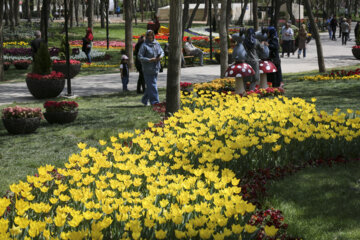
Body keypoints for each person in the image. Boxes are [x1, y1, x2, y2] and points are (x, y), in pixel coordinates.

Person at [138, 30, 164, 106]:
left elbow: (162, 51)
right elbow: (140, 57)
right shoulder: (144, 45)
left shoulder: (157, 43)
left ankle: (144, 99)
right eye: (148, 35)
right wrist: (149, 60)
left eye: (151, 35)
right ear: (146, 36)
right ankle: (155, 102)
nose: (150, 37)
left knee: (151, 85)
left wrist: (160, 56)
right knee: (153, 85)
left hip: (156, 67)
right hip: (147, 68)